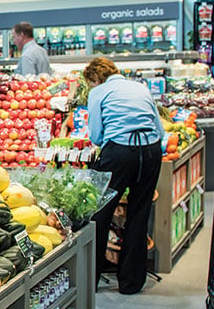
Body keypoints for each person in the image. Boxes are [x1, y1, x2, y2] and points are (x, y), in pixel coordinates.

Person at [83, 57, 165, 294]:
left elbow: (97, 136)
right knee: (139, 214)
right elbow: (159, 129)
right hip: (150, 150)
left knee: (99, 213)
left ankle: (91, 279)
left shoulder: (98, 92)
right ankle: (131, 283)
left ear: (96, 78)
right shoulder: (140, 87)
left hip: (119, 151)